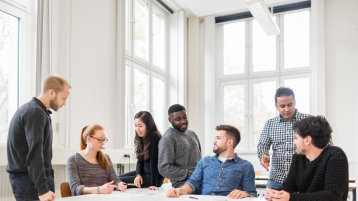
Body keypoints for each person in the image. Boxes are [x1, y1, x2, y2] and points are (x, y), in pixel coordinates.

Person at [6, 76, 71, 201]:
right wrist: (42, 189)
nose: (64, 103)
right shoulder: (35, 113)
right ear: (51, 92)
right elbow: (35, 153)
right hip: (30, 182)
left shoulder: (39, 112)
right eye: (63, 98)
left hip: (34, 179)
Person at [265, 116, 348, 201]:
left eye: (296, 138)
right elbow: (288, 188)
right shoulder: (298, 157)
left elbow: (332, 196)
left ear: (307, 140)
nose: (294, 142)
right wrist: (275, 194)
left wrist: (291, 197)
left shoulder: (335, 155)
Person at [167, 125, 257, 199]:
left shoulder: (246, 166)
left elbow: (252, 195)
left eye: (218, 138)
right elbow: (191, 184)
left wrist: (246, 194)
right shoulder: (204, 162)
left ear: (230, 142)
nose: (214, 141)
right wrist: (178, 190)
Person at [257, 87, 310, 190]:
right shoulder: (270, 124)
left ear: (294, 102)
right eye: (282, 106)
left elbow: (322, 143)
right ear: (276, 106)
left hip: (302, 179)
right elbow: (262, 145)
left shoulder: (307, 121)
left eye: (290, 104)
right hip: (276, 181)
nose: (286, 109)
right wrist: (263, 156)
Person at [66, 124, 127, 196]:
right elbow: (75, 189)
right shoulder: (73, 160)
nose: (103, 143)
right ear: (89, 139)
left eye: (104, 140)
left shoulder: (106, 158)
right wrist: (99, 189)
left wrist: (119, 185)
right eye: (100, 140)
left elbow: (115, 181)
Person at [158, 104, 202, 188]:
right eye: (178, 119)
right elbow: (164, 168)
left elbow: (199, 159)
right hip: (183, 184)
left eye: (184, 117)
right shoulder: (168, 138)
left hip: (199, 179)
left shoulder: (192, 134)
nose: (183, 121)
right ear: (170, 120)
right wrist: (190, 174)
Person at [119, 111, 164, 190]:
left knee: (117, 181)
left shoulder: (155, 136)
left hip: (154, 178)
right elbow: (140, 160)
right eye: (135, 125)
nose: (137, 129)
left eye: (140, 126)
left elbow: (154, 162)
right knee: (116, 178)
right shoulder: (142, 136)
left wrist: (153, 184)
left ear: (148, 126)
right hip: (144, 174)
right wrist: (138, 175)